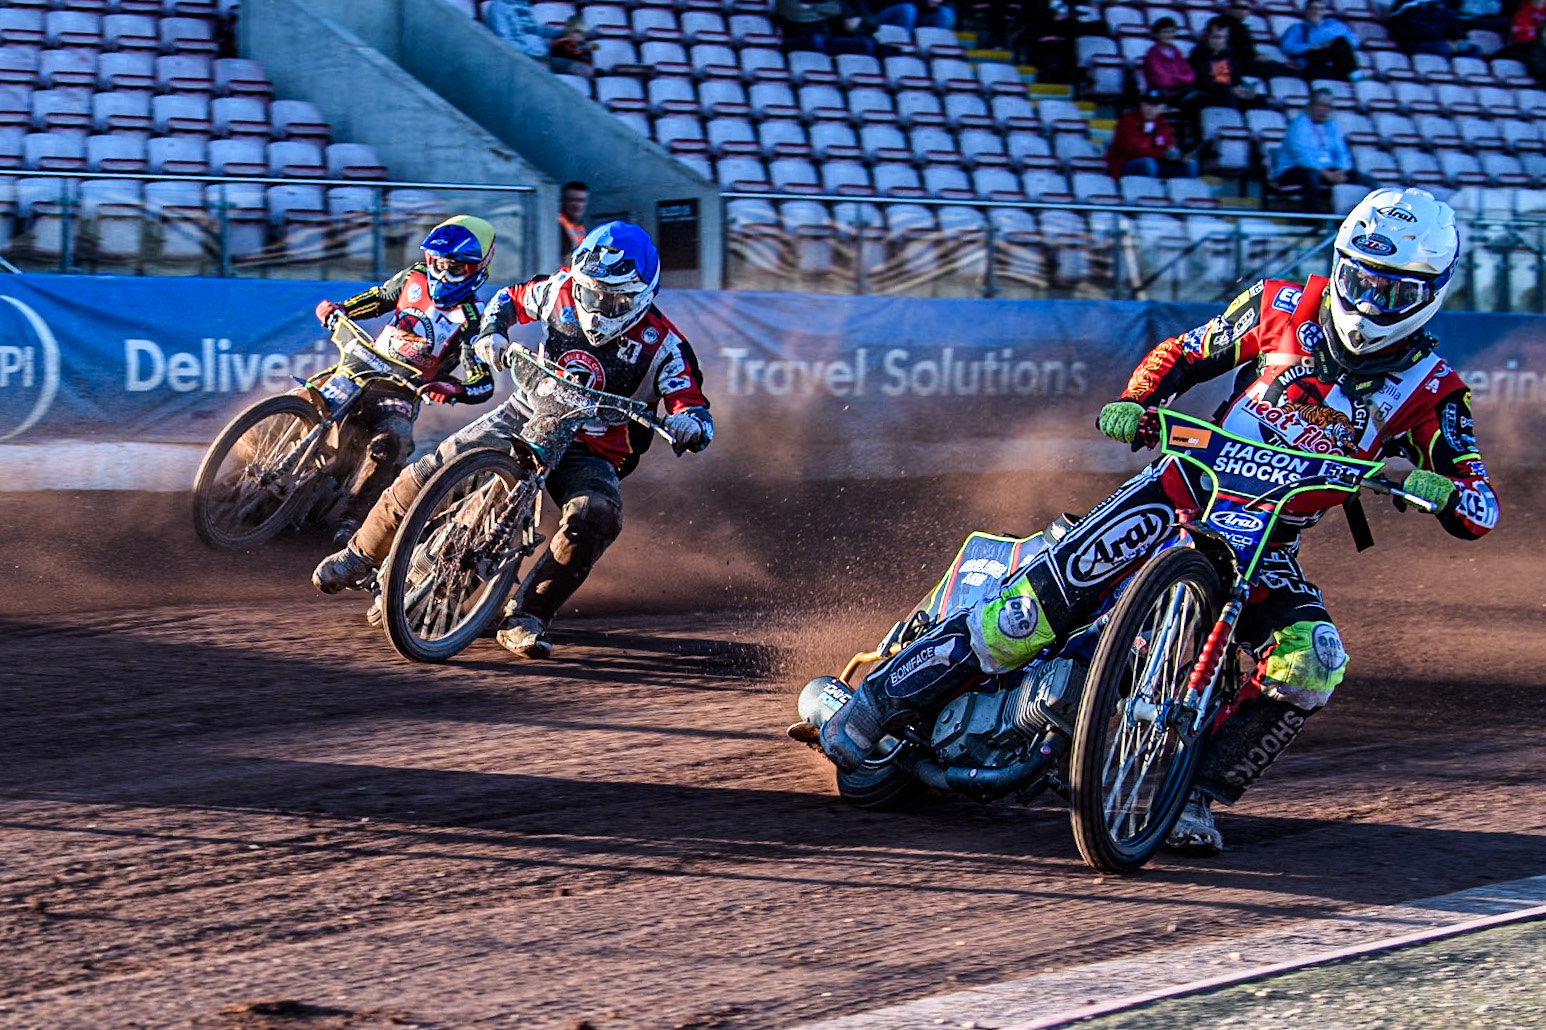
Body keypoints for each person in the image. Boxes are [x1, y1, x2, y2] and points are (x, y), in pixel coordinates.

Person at [818, 186, 1498, 855]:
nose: (1368, 303)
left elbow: (1479, 502)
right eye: (1359, 279)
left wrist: (1441, 491)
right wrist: (1137, 399)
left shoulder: (1433, 389)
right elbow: (1183, 352)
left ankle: (1191, 792)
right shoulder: (1281, 305)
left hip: (1268, 540)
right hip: (1181, 490)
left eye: (1392, 292)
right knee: (1028, 613)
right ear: (1340, 263)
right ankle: (876, 703)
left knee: (1313, 660)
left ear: (1430, 293)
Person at [312, 221, 714, 660]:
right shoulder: (558, 289)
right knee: (430, 468)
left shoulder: (665, 345)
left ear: (641, 295)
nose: (597, 305)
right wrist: (492, 334)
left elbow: (689, 400)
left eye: (612, 297)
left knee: (596, 515)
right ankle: (359, 555)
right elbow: (507, 299)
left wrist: (689, 423)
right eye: (590, 291)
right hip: (526, 410)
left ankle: (527, 615)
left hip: (593, 445)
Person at [310, 216, 498, 544]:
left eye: (455, 268)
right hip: (360, 368)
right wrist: (339, 310)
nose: (443, 273)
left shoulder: (473, 320)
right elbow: (380, 297)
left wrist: (452, 388)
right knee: (304, 396)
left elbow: (483, 382)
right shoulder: (414, 277)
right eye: (439, 264)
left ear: (476, 270)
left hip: (400, 394)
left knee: (393, 441)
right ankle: (252, 467)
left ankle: (353, 520)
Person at [1272, 88, 1379, 212]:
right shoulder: (1298, 126)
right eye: (1320, 105)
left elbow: (1341, 152)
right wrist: (1326, 174)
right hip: (1295, 169)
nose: (1324, 110)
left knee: (1362, 178)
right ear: (1311, 105)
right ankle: (1314, 222)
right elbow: (1303, 157)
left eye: (1327, 106)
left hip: (1329, 170)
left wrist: (1341, 171)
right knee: (1310, 176)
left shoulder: (1332, 125)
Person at [1106, 89, 1197, 178]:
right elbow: (1133, 150)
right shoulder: (1128, 121)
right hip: (1125, 163)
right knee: (1148, 164)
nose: (1150, 109)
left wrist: (1174, 155)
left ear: (1162, 108)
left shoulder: (1163, 124)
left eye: (1155, 105)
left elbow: (1168, 147)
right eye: (1147, 104)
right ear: (1141, 104)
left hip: (1157, 162)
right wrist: (1162, 154)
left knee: (1189, 166)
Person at [1189, 16, 1264, 110]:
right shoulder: (1199, 54)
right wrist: (1231, 90)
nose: (1220, 42)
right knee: (1228, 100)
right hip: (1210, 95)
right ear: (1207, 36)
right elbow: (1205, 82)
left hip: (1229, 92)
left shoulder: (1227, 54)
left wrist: (1243, 90)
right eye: (1216, 37)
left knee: (1260, 100)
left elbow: (1235, 78)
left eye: (1224, 38)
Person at [1279, 0, 1359, 80]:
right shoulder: (1297, 28)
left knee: (1340, 42)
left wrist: (1332, 44)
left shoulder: (1334, 24)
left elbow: (1354, 41)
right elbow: (1286, 46)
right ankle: (1355, 76)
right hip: (1313, 60)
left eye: (1320, 9)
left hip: (1335, 59)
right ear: (1306, 10)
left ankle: (1353, 75)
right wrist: (1314, 47)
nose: (1317, 12)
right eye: (1313, 8)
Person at [1388, 0, 1475, 57]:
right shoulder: (1408, 3)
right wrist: (1444, 40)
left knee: (1471, 49)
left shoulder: (1441, 4)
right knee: (1441, 47)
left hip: (1439, 40)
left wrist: (1459, 39)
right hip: (1412, 42)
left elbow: (1451, 22)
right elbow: (1412, 27)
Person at [484, 0, 560, 59]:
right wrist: (543, 48)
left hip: (542, 53)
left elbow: (535, 29)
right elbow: (505, 42)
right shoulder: (498, 7)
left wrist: (562, 33)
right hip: (524, 59)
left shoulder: (523, 4)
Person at [1142, 17, 1197, 98]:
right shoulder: (1152, 55)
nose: (1170, 35)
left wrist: (1175, 77)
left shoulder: (1176, 52)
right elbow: (1161, 81)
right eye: (1165, 32)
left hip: (1180, 90)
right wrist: (1180, 78)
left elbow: (1191, 75)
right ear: (1157, 34)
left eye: (1172, 32)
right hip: (1163, 93)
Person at [558, 181, 589, 267]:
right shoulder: (556, 225)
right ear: (563, 201)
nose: (577, 205)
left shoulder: (580, 227)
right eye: (572, 200)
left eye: (581, 201)